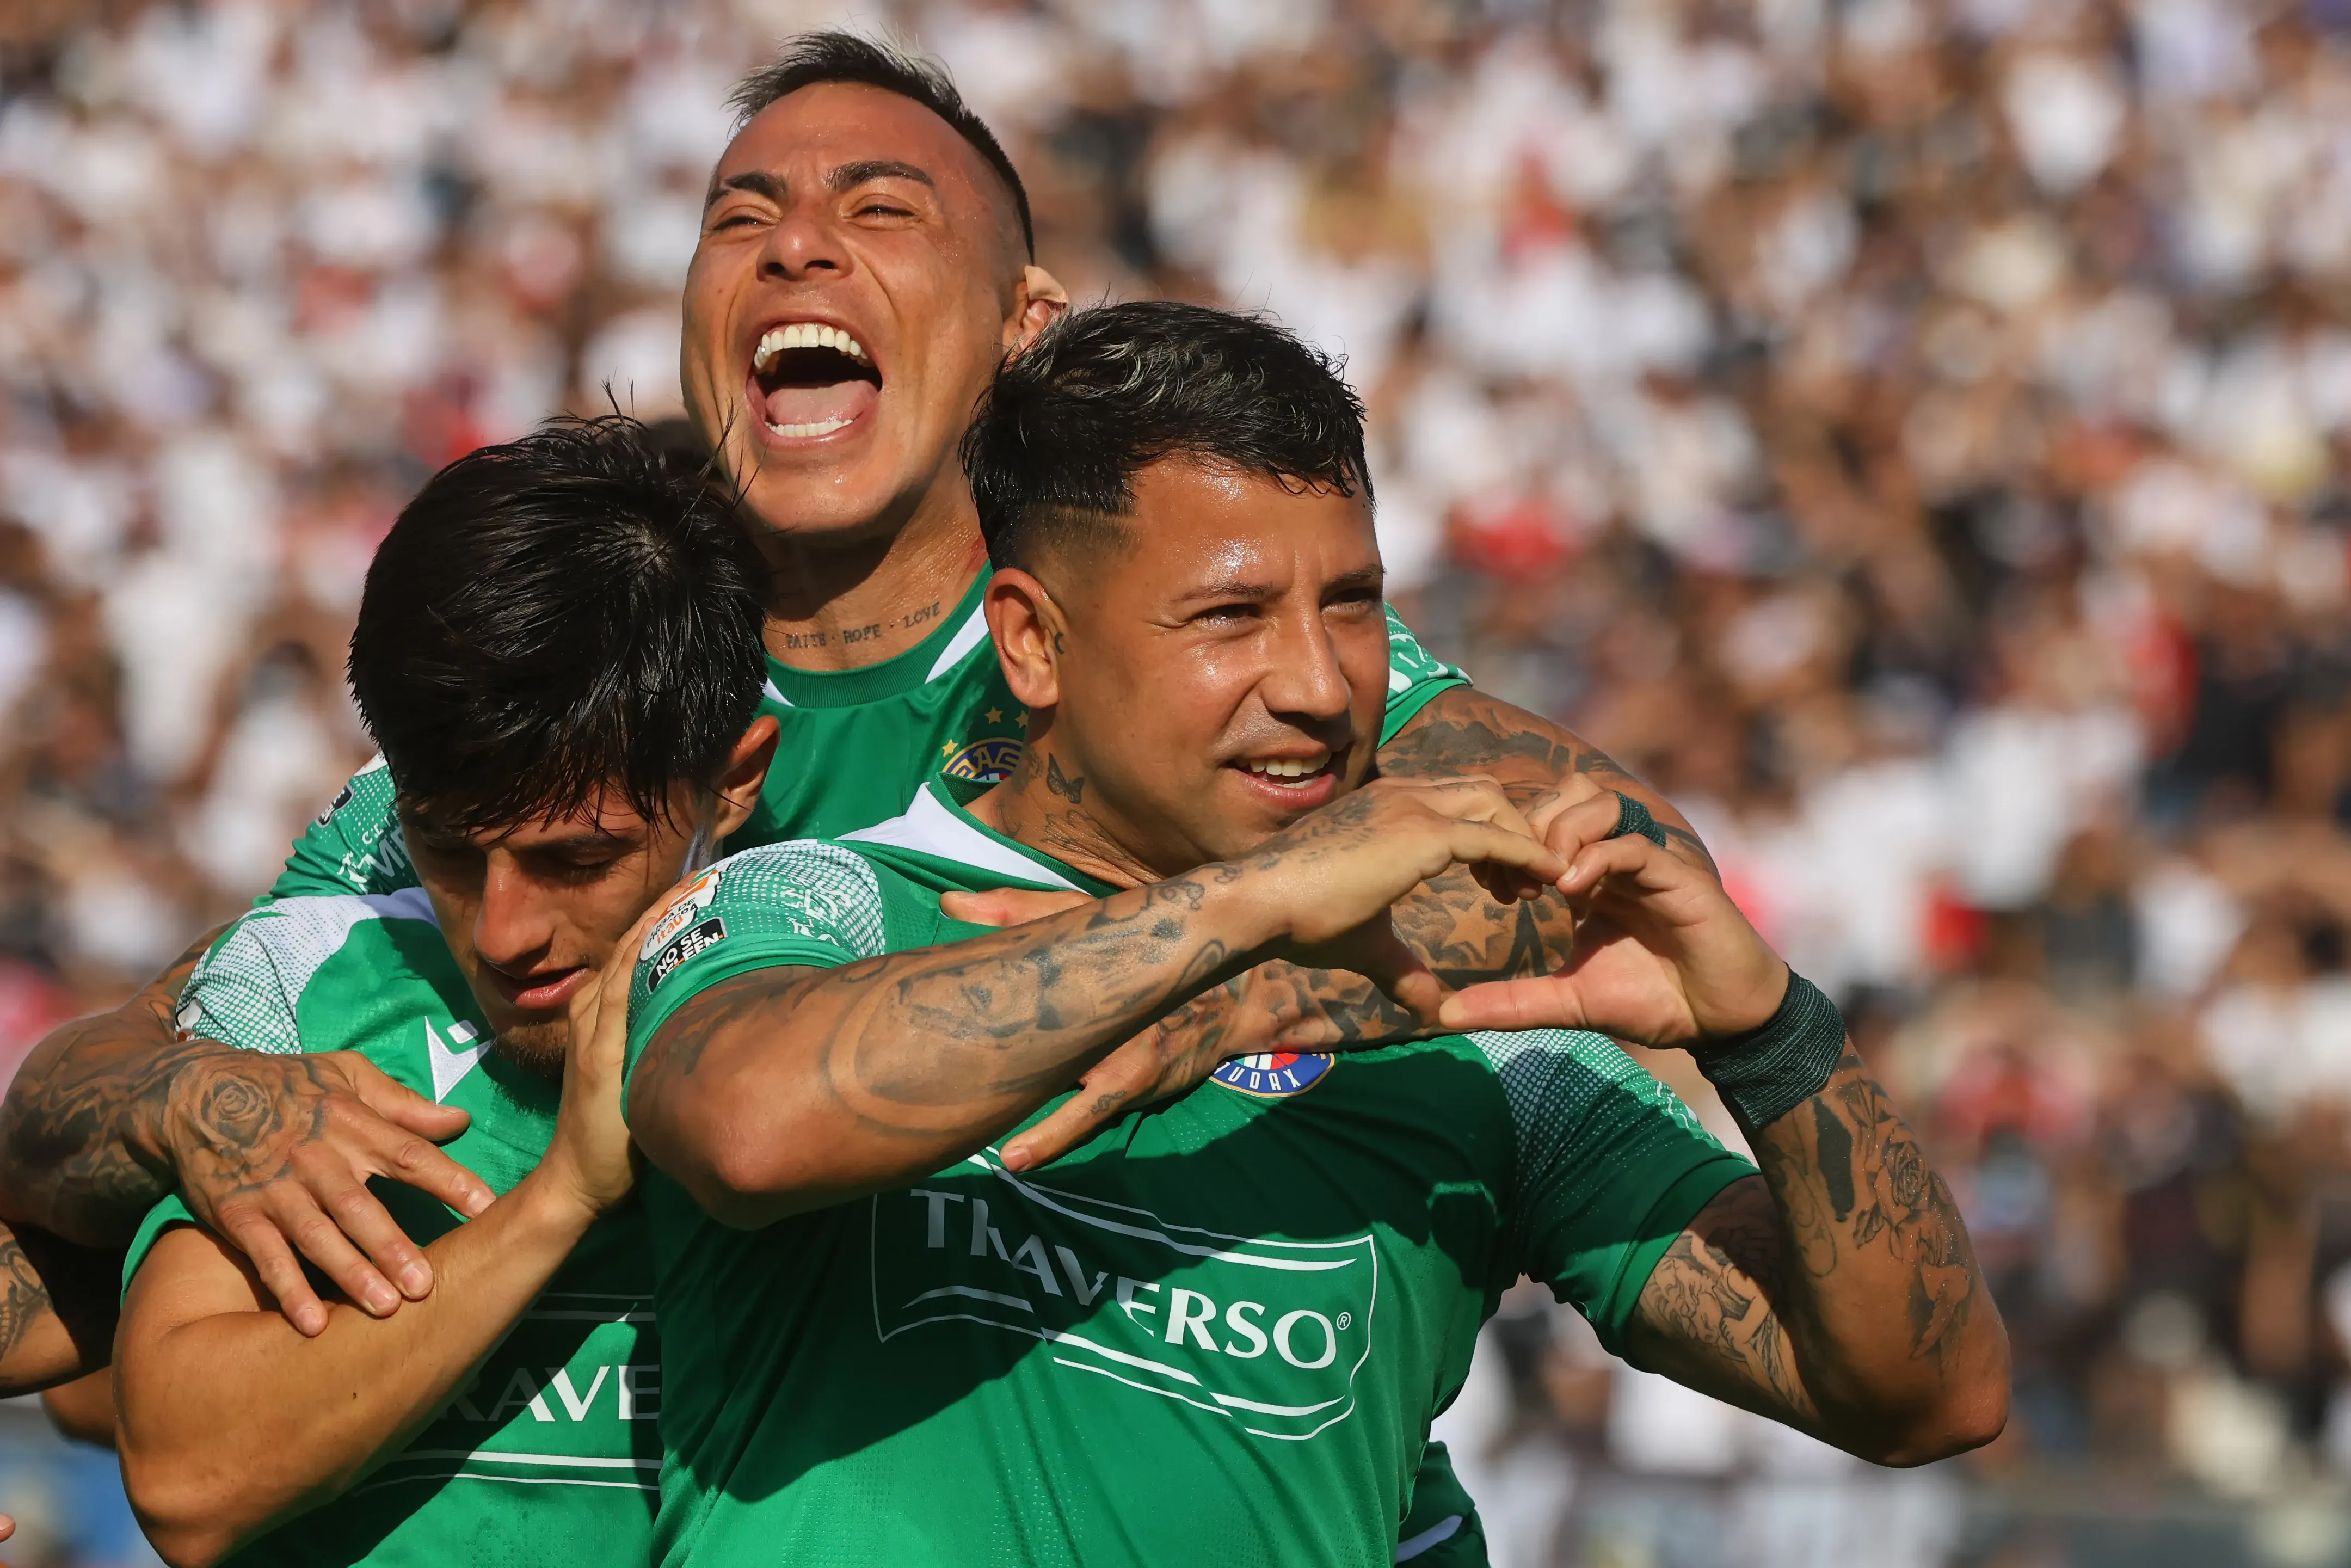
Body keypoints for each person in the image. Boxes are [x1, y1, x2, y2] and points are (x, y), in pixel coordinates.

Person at [1, 31, 1707, 1556]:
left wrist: (1268, 966)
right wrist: (200, 1107)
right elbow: (91, 1116)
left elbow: (1600, 863)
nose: (798, 245)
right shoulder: (586, 711)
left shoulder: (1168, 661)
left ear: (1025, 327)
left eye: (880, 213)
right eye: (742, 218)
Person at [616, 302, 2009, 1564]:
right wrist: (1244, 916)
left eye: (1351, 607)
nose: (1316, 683)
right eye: (1230, 615)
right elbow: (745, 1124)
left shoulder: (1466, 1038)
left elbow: (1927, 1393)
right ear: (1032, 644)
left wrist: (1770, 1034)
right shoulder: (813, 900)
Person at [106, 413, 1547, 1567]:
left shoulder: (875, 1000)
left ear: (733, 780)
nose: (503, 932)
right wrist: (554, 1207)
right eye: (446, 846)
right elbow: (175, 1466)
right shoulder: (322, 981)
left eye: (575, 860)